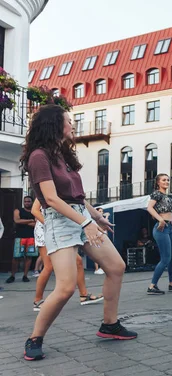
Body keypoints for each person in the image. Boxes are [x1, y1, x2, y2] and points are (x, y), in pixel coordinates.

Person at [21, 104, 136, 361]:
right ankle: (35, 337)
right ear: (55, 125)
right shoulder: (39, 156)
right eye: (68, 121)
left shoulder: (62, 155)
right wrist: (86, 223)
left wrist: (96, 217)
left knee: (116, 267)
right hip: (59, 221)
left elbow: (77, 197)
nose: (72, 125)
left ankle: (109, 324)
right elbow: (51, 199)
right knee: (65, 287)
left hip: (79, 216)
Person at [31, 198, 103, 311]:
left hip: (60, 229)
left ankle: (84, 295)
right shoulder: (45, 186)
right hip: (46, 229)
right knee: (49, 266)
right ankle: (38, 300)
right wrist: (48, 224)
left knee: (78, 261)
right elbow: (34, 210)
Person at [146, 174, 172, 295]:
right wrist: (160, 220)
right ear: (158, 182)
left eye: (168, 180)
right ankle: (152, 286)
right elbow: (149, 208)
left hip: (168, 227)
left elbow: (169, 213)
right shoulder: (157, 194)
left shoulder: (167, 197)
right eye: (164, 180)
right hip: (161, 228)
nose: (167, 182)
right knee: (166, 258)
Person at [7, 196, 37, 283]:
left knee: (29, 257)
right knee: (16, 257)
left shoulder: (34, 212)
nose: (27, 203)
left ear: (32, 202)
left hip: (31, 237)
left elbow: (36, 224)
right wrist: (30, 220)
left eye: (29, 201)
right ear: (23, 202)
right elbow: (17, 220)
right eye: (25, 201)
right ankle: (12, 276)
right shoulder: (18, 210)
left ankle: (25, 275)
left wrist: (23, 221)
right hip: (19, 237)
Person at [93, 207, 109, 275]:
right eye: (100, 211)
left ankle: (102, 268)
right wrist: (107, 216)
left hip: (104, 237)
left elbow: (106, 224)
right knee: (98, 254)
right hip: (99, 237)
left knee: (104, 254)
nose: (101, 212)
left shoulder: (102, 219)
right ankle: (97, 269)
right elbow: (103, 225)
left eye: (102, 211)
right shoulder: (97, 220)